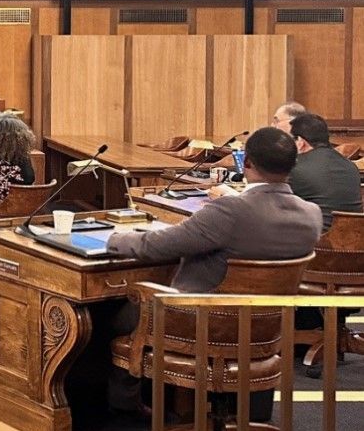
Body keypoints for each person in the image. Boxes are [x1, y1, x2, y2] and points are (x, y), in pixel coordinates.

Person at [104, 127, 321, 415]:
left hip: (198, 321)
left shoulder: (228, 211)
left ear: (247, 164)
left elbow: (156, 246)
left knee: (109, 312)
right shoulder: (311, 215)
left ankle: (121, 409)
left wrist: (113, 238)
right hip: (266, 330)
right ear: (293, 165)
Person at [286, 113, 363, 232]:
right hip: (354, 243)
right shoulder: (350, 166)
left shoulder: (294, 167)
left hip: (314, 243)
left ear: (300, 142)